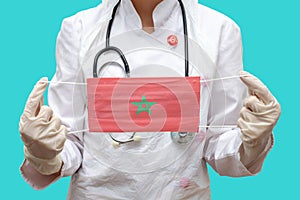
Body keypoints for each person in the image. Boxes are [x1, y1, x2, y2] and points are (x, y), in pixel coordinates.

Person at [19, 0, 281, 199]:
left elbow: (220, 149)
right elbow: (71, 145)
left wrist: (252, 141)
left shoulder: (219, 30)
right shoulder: (78, 29)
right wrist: (44, 151)